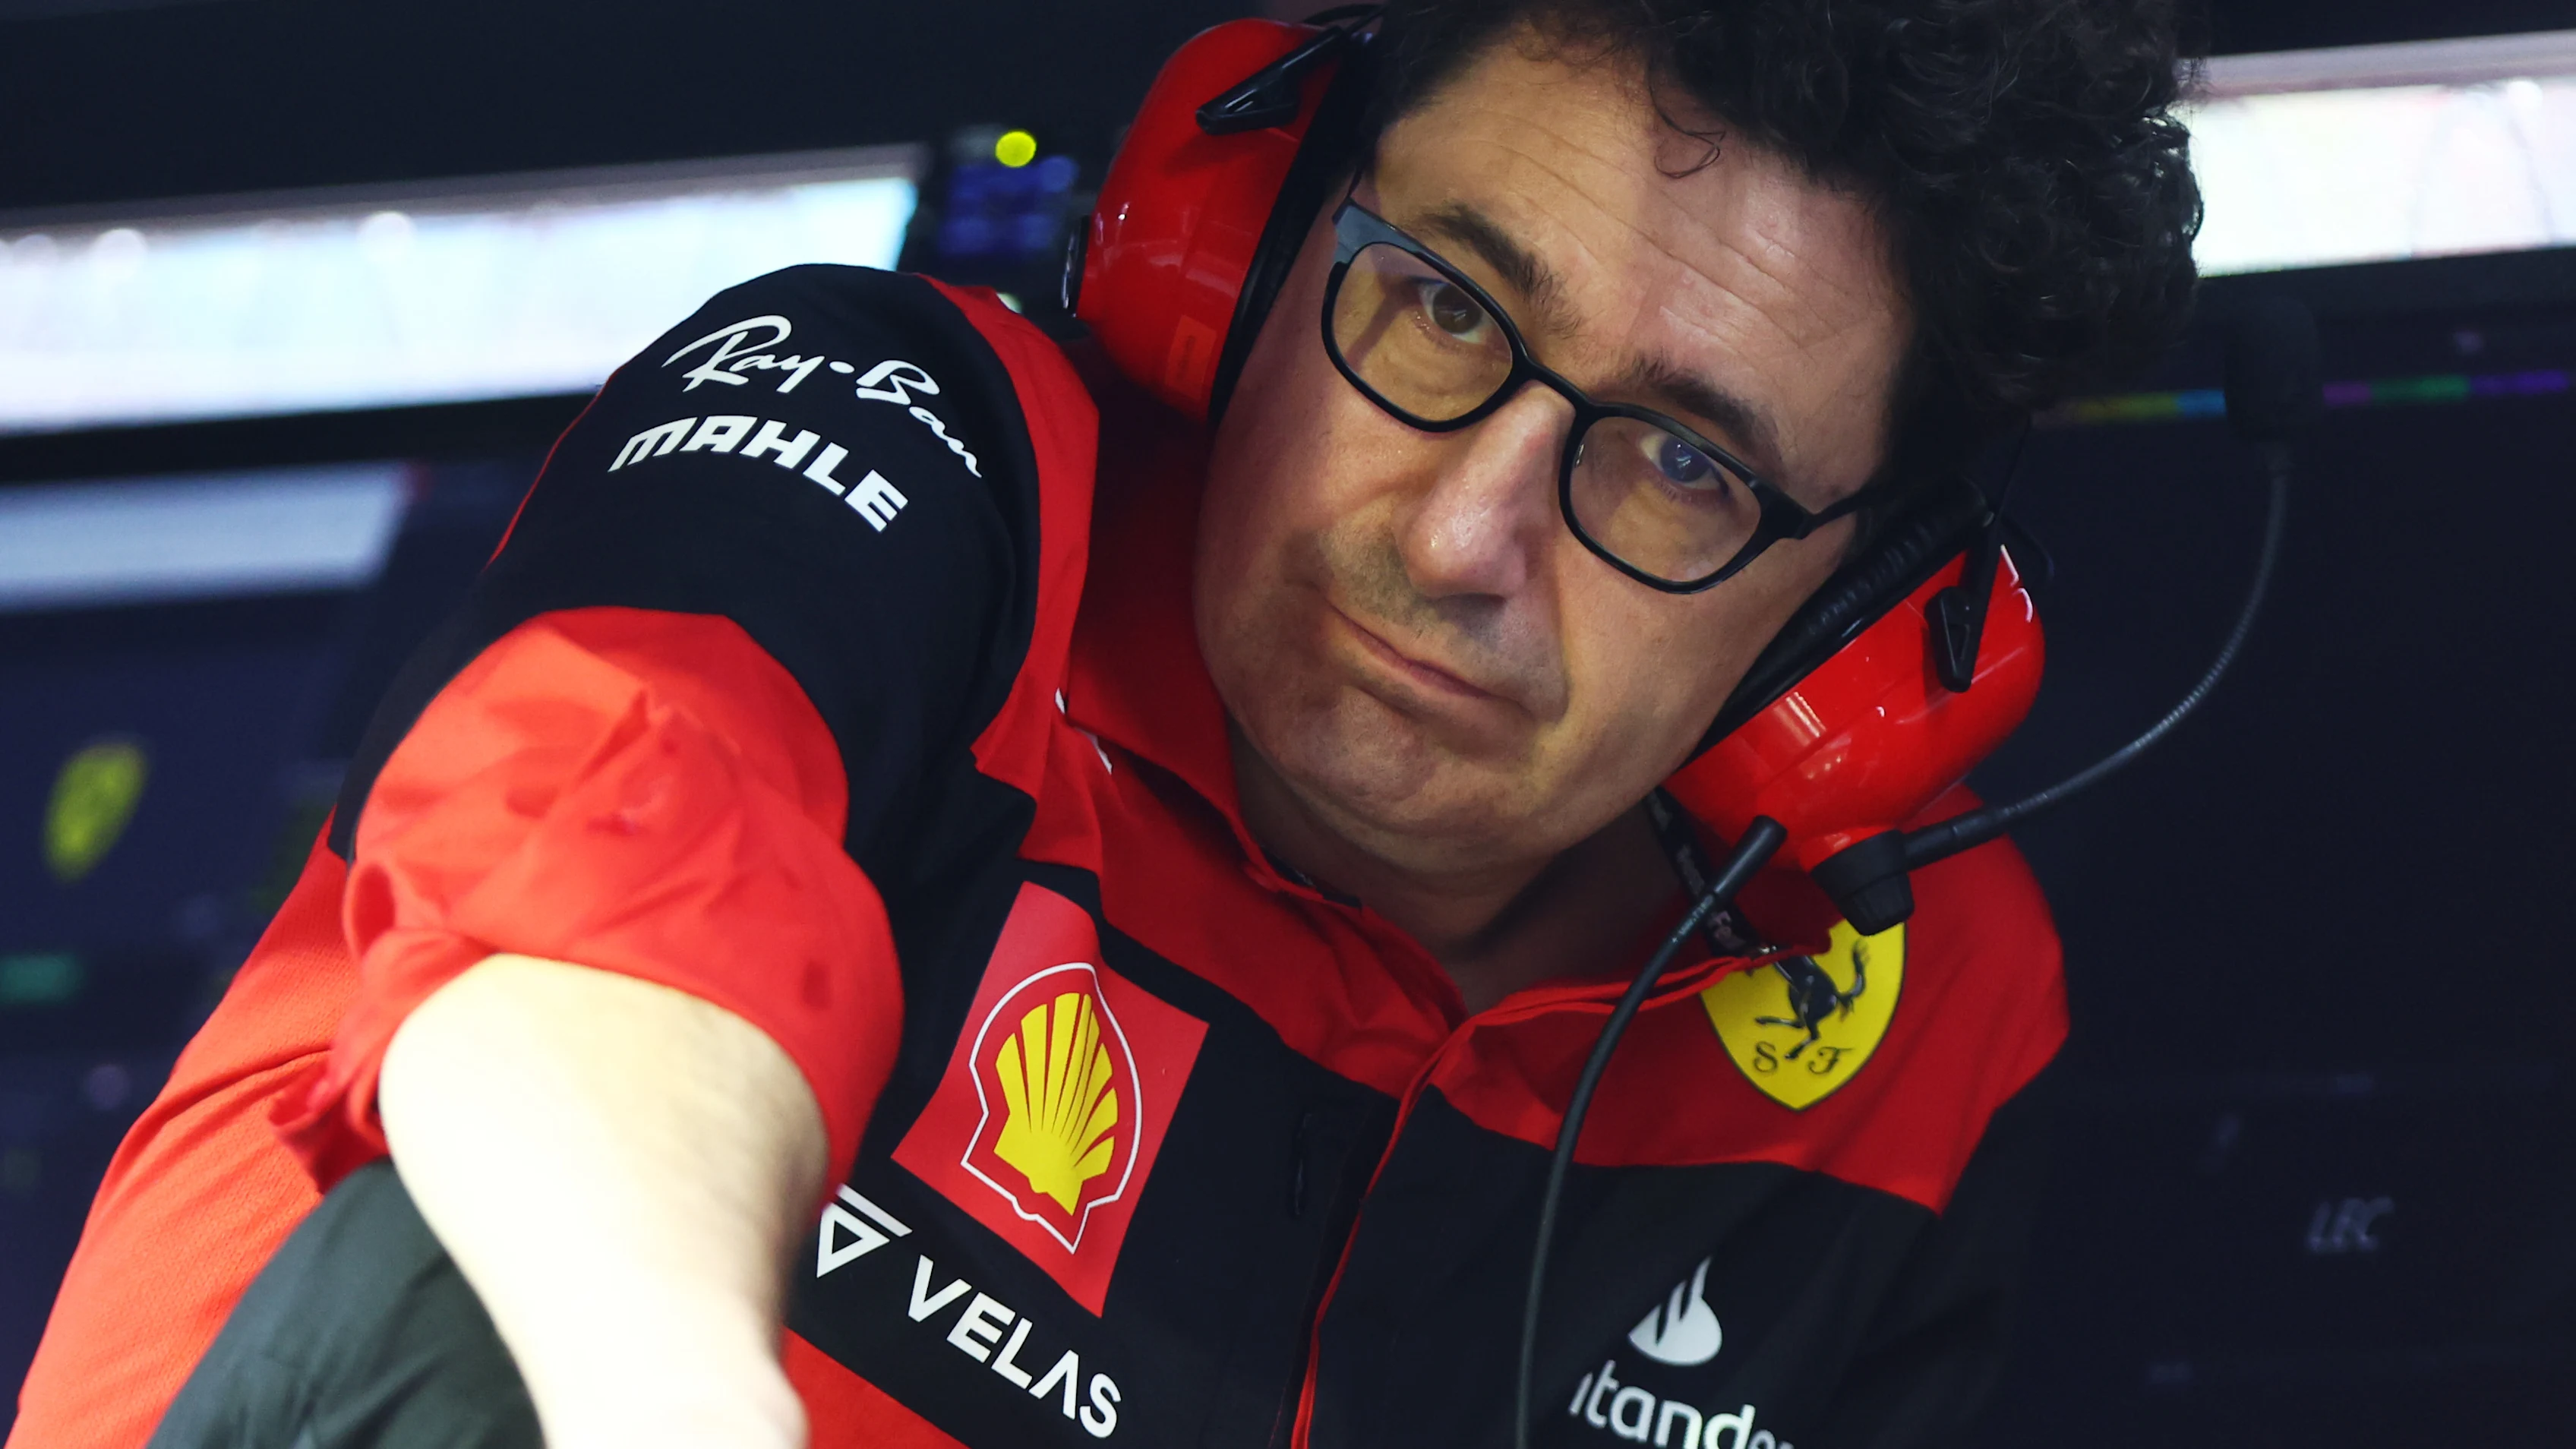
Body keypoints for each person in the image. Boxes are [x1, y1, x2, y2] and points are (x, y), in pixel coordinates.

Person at [11, 2, 2199, 1446]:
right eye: (1436, 305)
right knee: (472, 1281)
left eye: (1680, 466)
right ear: (1224, 242)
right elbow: (592, 946)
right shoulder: (919, 458)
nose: (1462, 533)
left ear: (1864, 630)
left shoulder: (1920, 1013)